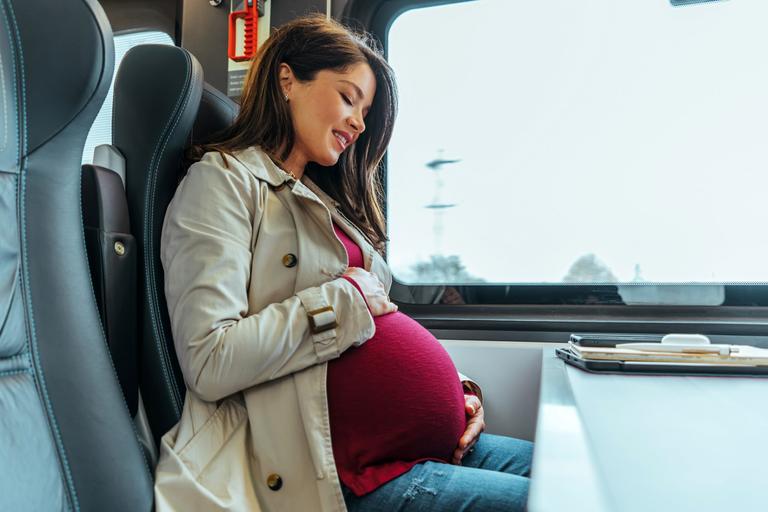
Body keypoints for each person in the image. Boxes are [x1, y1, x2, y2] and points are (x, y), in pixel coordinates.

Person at [154, 14, 532, 512]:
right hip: (334, 473)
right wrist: (345, 299)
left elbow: (376, 325)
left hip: (409, 448)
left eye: (366, 110)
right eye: (349, 97)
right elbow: (210, 360)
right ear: (287, 80)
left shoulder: (321, 203)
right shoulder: (222, 182)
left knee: (585, 473)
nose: (359, 121)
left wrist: (455, 392)